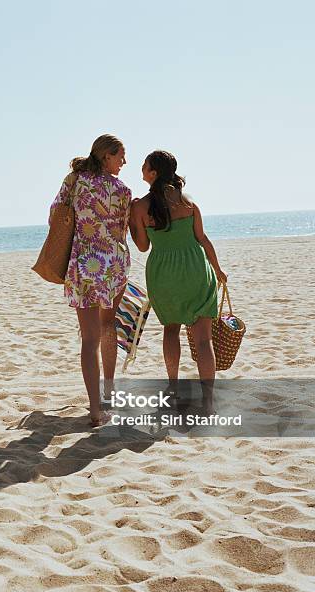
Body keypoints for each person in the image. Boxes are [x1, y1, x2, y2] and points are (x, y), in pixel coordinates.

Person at [129, 150, 227, 410]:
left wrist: (131, 219)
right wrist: (217, 269)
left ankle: (173, 388)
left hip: (164, 274)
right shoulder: (189, 201)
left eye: (144, 165)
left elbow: (142, 246)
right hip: (195, 269)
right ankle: (208, 399)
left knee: (170, 330)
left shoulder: (140, 206)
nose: (141, 167)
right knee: (203, 339)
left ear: (154, 172)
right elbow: (202, 239)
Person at [48, 134, 132, 427]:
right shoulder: (122, 190)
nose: (124, 161)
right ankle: (109, 390)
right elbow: (122, 232)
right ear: (106, 156)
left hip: (83, 265)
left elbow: (54, 216)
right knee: (109, 324)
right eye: (121, 156)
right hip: (114, 266)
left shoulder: (74, 180)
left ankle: (95, 410)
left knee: (89, 338)